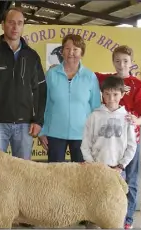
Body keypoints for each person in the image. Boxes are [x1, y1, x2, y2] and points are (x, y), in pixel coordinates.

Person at [0, 7, 47, 161]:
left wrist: (38, 120)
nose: (15, 27)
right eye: (11, 22)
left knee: (22, 175)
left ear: (23, 26)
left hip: (25, 125)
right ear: (3, 24)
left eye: (19, 23)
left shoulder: (32, 56)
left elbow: (40, 89)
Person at [95, 45, 141, 229]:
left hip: (131, 141)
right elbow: (87, 73)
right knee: (107, 180)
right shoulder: (107, 80)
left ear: (131, 63)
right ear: (113, 62)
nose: (121, 64)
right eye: (117, 61)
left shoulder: (138, 85)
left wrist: (136, 120)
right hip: (110, 142)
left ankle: (128, 219)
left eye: (125, 61)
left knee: (130, 181)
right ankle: (106, 215)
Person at [39, 34, 101, 163]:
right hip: (55, 133)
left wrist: (95, 134)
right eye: (67, 49)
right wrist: (42, 130)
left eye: (75, 49)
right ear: (62, 51)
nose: (71, 53)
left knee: (80, 176)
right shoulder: (51, 74)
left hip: (82, 135)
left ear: (82, 53)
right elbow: (44, 104)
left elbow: (96, 107)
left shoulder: (90, 77)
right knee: (55, 175)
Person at [80, 76, 137, 173]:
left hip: (117, 169)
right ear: (102, 94)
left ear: (122, 94)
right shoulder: (94, 116)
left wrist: (121, 165)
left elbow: (131, 145)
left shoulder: (127, 118)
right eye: (107, 94)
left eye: (115, 94)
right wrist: (91, 163)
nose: (111, 98)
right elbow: (85, 143)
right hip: (96, 168)